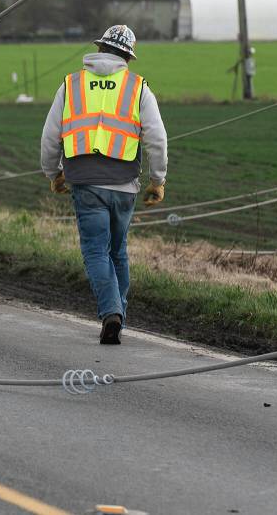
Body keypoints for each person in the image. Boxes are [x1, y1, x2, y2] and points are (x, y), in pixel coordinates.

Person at [40, 24, 168, 344]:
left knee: (96, 251)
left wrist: (52, 173)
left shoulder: (71, 85)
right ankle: (118, 315)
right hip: (124, 183)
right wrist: (158, 179)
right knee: (118, 251)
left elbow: (49, 135)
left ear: (99, 49)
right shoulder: (138, 87)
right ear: (128, 56)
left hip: (85, 182)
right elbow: (157, 137)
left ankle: (111, 312)